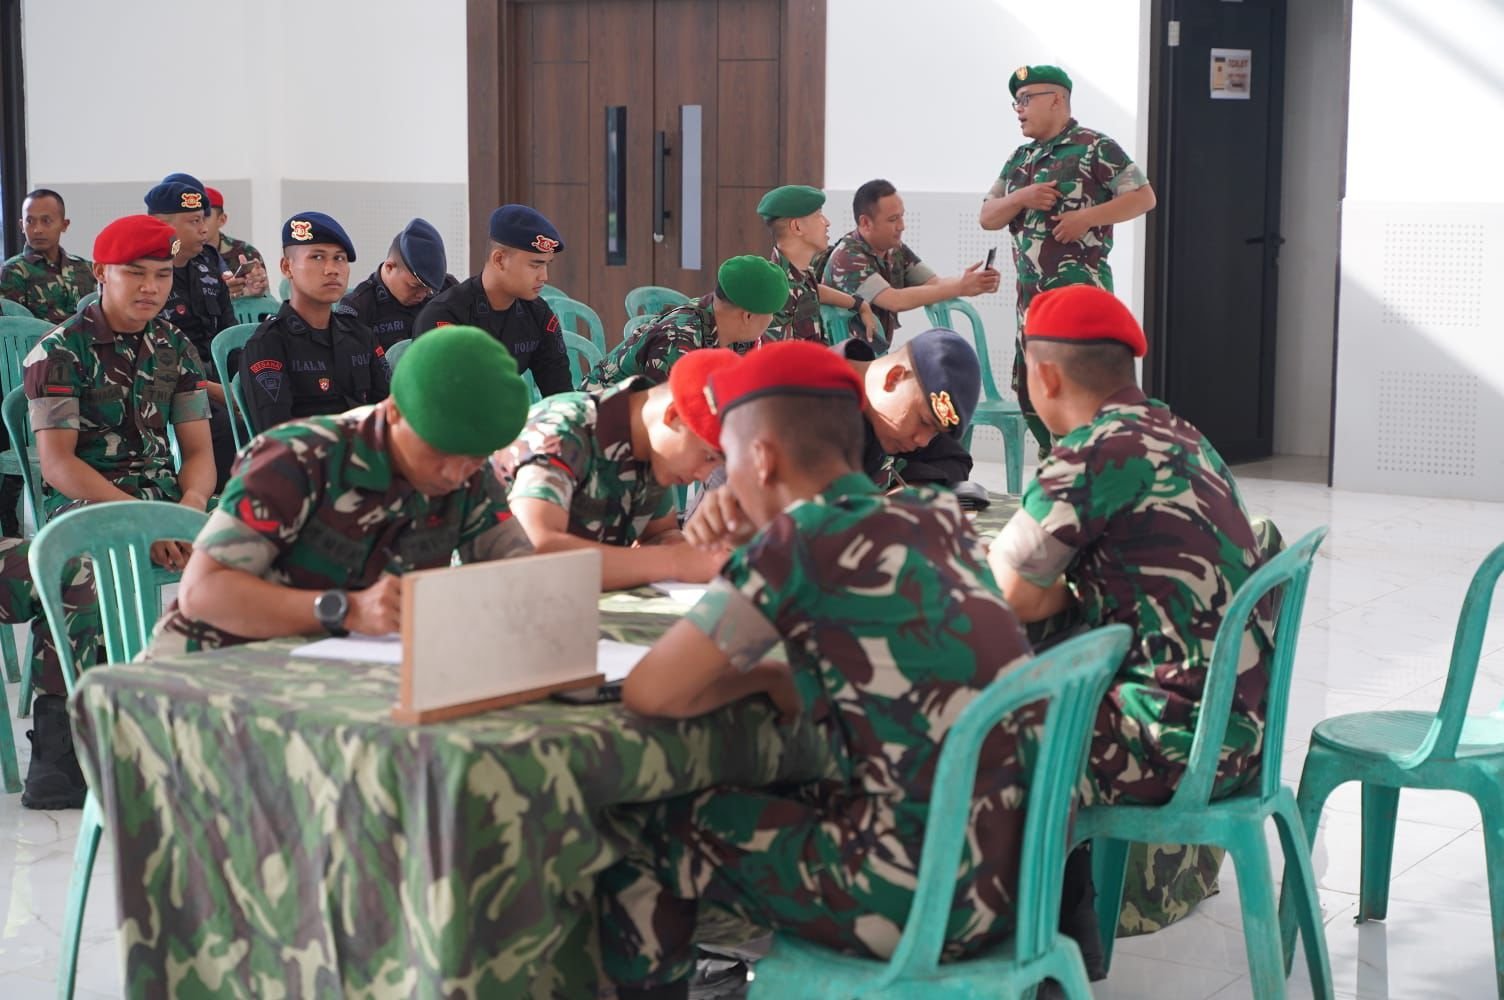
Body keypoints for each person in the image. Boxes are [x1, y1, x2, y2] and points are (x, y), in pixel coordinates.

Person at [596, 340, 1035, 1000]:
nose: (722, 478)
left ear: (763, 459)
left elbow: (653, 691)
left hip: (917, 899)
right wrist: (770, 659)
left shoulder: (796, 545)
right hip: (1017, 881)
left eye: (729, 460)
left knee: (641, 834)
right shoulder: (935, 517)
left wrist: (753, 568)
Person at [986, 286, 1270, 978]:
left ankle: (1012, 962)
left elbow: (1014, 594)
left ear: (1043, 375)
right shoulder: (1179, 431)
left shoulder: (1093, 453)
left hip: (1167, 744)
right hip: (1236, 732)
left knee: (977, 733)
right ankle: (1069, 941)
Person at [147, 325, 535, 655]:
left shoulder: (469, 473)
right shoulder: (299, 458)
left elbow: (520, 570)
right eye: (440, 450)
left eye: (473, 458)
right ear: (395, 410)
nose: (455, 474)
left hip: (338, 670)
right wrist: (344, 609)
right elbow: (205, 593)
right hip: (212, 669)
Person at [0, 214, 214, 809]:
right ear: (100, 274)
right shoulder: (58, 350)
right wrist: (143, 523)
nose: (151, 287)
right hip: (85, 501)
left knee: (263, 541)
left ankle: (217, 725)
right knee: (82, 577)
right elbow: (59, 466)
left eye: (163, 275)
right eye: (134, 274)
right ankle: (58, 742)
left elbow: (198, 452)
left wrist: (186, 513)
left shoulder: (175, 346)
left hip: (168, 501)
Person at [979, 65, 1156, 454]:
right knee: (1036, 401)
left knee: (1084, 403)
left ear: (1056, 99)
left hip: (1081, 310)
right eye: (1016, 102)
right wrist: (1021, 198)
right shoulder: (1019, 159)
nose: (1019, 110)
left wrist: (1086, 218)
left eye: (1027, 100)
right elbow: (988, 216)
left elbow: (1144, 197)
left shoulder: (1094, 147)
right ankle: (1052, 485)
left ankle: (1090, 483)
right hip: (1031, 310)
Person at [683, 327, 982, 546]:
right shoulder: (797, 395)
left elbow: (953, 459)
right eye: (924, 423)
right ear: (894, 378)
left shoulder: (890, 417)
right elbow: (721, 525)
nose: (922, 440)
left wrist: (906, 492)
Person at [491, 348, 737, 591]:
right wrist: (674, 561)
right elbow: (536, 549)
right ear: (673, 416)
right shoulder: (564, 431)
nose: (704, 475)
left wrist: (697, 552)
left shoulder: (652, 451)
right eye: (707, 457)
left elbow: (659, 535)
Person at [238, 212, 388, 433]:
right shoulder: (268, 344)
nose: (332, 269)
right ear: (287, 267)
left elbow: (389, 415)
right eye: (317, 257)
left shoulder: (360, 336)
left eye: (339, 258)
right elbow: (277, 439)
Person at [822, 178, 1000, 354]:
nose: (902, 226)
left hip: (871, 358)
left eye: (902, 216)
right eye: (893, 220)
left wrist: (974, 282)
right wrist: (960, 287)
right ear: (865, 223)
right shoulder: (848, 257)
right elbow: (895, 300)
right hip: (841, 363)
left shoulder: (893, 249)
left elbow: (934, 284)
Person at [414, 204, 571, 394]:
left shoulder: (538, 315)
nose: (544, 276)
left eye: (547, 265)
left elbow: (559, 393)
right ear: (499, 260)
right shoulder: (445, 317)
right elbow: (434, 403)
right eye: (535, 265)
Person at [147, 178, 238, 488]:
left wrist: (240, 386)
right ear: (162, 225)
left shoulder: (209, 263)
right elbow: (155, 354)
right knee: (227, 426)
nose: (204, 229)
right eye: (194, 221)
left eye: (204, 219)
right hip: (171, 381)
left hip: (214, 377)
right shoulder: (148, 274)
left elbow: (229, 334)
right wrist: (219, 391)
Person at [579, 256, 789, 391]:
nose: (771, 321)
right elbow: (666, 419)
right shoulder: (677, 339)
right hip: (604, 425)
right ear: (748, 316)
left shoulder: (732, 330)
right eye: (771, 314)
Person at [754, 184, 877, 345]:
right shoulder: (779, 296)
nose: (827, 222)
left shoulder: (796, 272)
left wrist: (860, 305)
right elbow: (784, 364)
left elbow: (813, 289)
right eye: (819, 215)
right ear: (797, 227)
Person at [342, 218, 454, 351]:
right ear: (389, 267)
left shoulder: (448, 290)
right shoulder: (359, 307)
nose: (422, 295)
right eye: (414, 286)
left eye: (430, 291)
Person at [0, 188, 98, 323]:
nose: (37, 229)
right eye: (30, 221)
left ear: (64, 225)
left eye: (46, 221)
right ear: (22, 226)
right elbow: (11, 329)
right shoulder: (12, 272)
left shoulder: (86, 269)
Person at [204, 187, 269, 298]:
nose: (199, 224)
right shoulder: (180, 255)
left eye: (204, 217)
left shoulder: (245, 252)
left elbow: (265, 301)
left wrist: (257, 290)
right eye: (194, 219)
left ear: (222, 220)